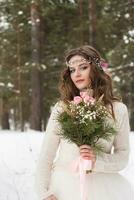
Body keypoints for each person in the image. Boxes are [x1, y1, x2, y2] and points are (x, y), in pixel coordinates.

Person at [35, 45, 134, 200]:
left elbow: (123, 156)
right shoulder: (62, 108)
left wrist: (97, 161)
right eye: (72, 70)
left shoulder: (118, 109)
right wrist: (44, 193)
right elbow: (46, 156)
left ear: (95, 69)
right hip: (63, 188)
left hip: (104, 190)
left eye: (83, 67)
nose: (77, 74)